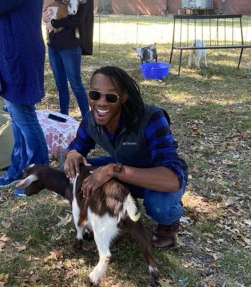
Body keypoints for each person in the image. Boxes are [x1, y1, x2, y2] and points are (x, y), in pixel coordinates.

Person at [63, 66, 188, 249]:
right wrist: (71, 154)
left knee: (160, 206)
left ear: (124, 97)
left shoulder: (151, 118)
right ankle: (110, 214)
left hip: (156, 176)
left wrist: (113, 170)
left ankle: (170, 222)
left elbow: (172, 179)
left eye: (111, 97)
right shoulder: (91, 120)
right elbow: (77, 147)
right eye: (95, 95)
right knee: (71, 170)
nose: (101, 103)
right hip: (123, 168)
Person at [0, 0, 49, 189]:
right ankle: (19, 167)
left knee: (24, 117)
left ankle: (39, 174)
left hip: (20, 54)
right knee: (17, 117)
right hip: (13, 52)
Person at [42, 0, 94, 118]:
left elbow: (78, 19)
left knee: (76, 85)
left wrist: (54, 23)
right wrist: (47, 16)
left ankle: (88, 122)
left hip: (70, 45)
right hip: (53, 43)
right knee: (60, 85)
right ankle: (63, 117)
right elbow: (56, 9)